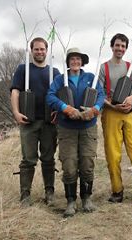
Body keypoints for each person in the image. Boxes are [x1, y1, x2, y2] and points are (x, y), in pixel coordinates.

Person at [46, 47, 105, 217]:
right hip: (67, 129)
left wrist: (95, 109)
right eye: (72, 59)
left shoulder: (91, 78)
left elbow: (101, 96)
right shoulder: (60, 79)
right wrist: (65, 108)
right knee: (70, 165)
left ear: (82, 61)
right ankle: (70, 201)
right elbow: (50, 97)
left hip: (88, 128)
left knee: (87, 163)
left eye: (78, 59)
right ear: (68, 62)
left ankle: (86, 198)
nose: (75, 62)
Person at [98, 33, 132, 210]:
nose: (120, 48)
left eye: (123, 46)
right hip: (111, 113)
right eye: (117, 45)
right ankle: (117, 191)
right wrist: (113, 106)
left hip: (130, 113)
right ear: (112, 46)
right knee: (113, 154)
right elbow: (98, 93)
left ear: (126, 48)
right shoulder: (104, 67)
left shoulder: (131, 67)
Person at [10, 37, 60, 207]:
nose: (39, 52)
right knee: (28, 159)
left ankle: (50, 193)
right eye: (36, 49)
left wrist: (58, 113)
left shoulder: (55, 72)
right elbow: (16, 92)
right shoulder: (23, 69)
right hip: (28, 121)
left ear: (47, 51)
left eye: (42, 49)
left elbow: (61, 97)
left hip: (48, 122)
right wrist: (16, 112)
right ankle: (25, 195)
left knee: (48, 158)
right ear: (32, 51)